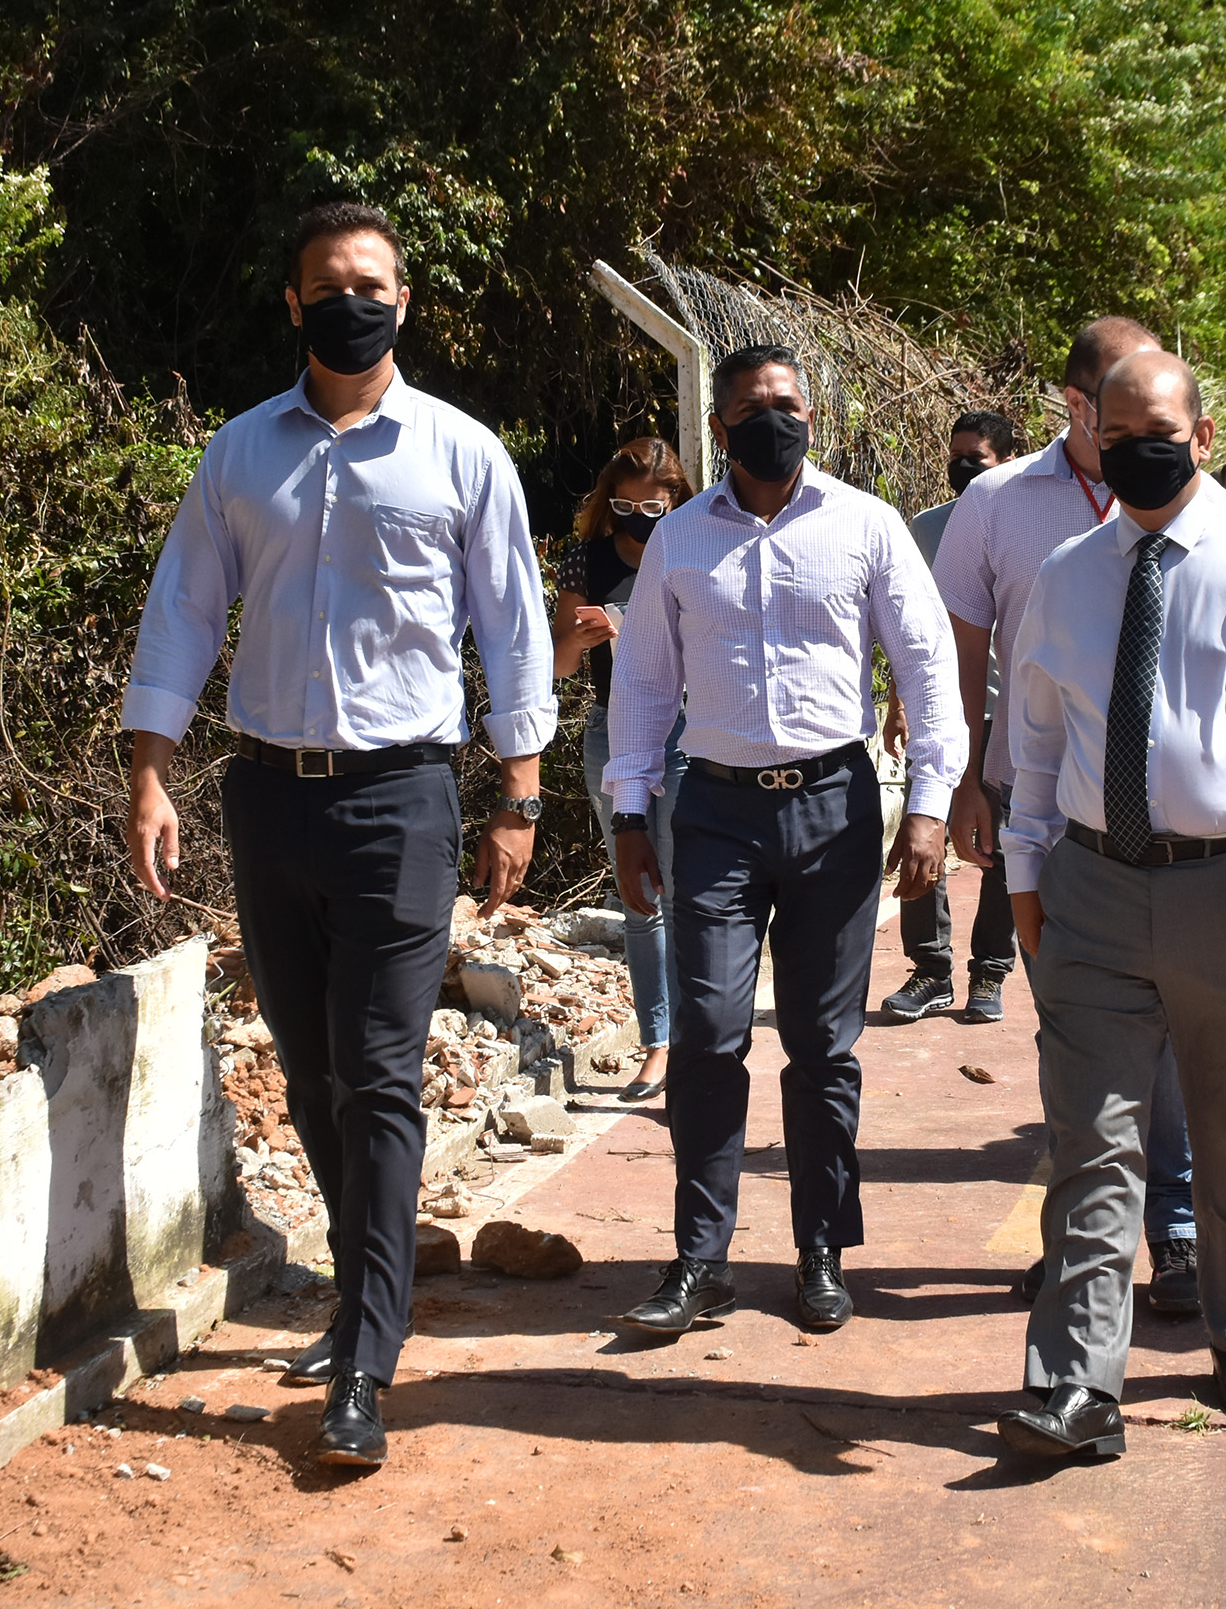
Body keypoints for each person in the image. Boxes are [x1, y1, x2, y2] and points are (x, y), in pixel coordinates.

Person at [122, 200, 554, 1468]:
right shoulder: (241, 455)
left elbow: (513, 625)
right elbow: (185, 611)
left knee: (378, 1070)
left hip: (402, 800)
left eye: (373, 281)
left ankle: (364, 1356)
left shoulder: (463, 454)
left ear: (404, 301)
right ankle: (366, 1288)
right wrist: (153, 769)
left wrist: (517, 790)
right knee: (310, 1071)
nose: (351, 298)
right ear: (294, 304)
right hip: (267, 795)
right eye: (328, 283)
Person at [993, 350, 1226, 1459]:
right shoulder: (1064, 574)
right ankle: (1075, 1386)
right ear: (1091, 439)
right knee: (1092, 1145)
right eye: (1114, 433)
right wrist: (1025, 877)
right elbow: (1034, 743)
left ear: (1204, 438)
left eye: (1156, 429)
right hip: (1094, 887)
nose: (1135, 450)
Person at [605, 343, 966, 1337]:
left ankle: (819, 1248)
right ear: (718, 427)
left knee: (821, 1044)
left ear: (812, 415)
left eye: (791, 402)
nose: (776, 418)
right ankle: (699, 1257)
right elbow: (639, 689)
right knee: (710, 1034)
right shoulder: (679, 541)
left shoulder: (867, 525)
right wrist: (632, 814)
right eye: (755, 407)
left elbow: (930, 673)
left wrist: (930, 805)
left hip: (834, 807)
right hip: (715, 810)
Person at [935, 318, 1206, 1315]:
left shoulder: (1204, 508)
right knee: (1078, 1034)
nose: (1134, 421)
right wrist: (962, 776)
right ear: (1075, 404)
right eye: (1112, 400)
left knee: (1169, 1026)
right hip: (1042, 809)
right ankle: (1084, 1232)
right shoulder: (996, 505)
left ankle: (1174, 1224)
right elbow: (959, 651)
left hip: (1172, 822)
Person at [552, 437, 696, 1103]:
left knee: (694, 892)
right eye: (625, 504)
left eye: (653, 506)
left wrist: (635, 621)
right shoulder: (589, 557)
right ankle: (658, 1046)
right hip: (613, 731)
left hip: (691, 729)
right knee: (642, 898)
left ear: (677, 502)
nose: (638, 517)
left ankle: (702, 1041)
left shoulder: (694, 545)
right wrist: (575, 641)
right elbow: (557, 668)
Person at [884, 409, 1022, 1024]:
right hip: (940, 714)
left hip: (1009, 714)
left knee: (1002, 848)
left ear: (1007, 463)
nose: (963, 468)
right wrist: (899, 701)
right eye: (957, 456)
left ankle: (990, 970)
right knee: (925, 832)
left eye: (979, 459)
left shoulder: (1025, 523)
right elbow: (901, 622)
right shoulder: (925, 528)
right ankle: (929, 969)